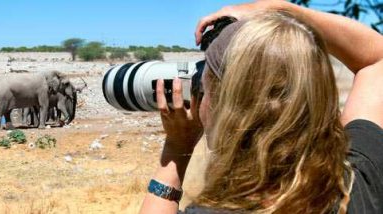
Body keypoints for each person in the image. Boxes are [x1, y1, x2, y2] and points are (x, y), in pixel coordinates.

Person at [140, 0, 383, 213]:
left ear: (226, 108)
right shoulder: (355, 182)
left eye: (204, 90)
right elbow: (377, 59)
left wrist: (175, 149)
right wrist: (280, 8)